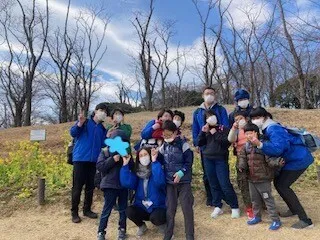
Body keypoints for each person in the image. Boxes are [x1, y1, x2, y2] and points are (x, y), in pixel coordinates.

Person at [249, 107, 314, 229]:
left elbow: (278, 148)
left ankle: (305, 220)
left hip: (298, 159)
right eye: (253, 118)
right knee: (280, 184)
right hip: (293, 159)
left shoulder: (273, 128)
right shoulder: (268, 128)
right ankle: (293, 209)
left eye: (257, 118)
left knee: (283, 185)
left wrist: (260, 144)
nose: (255, 120)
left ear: (265, 117)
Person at [238, 123, 284, 230]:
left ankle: (275, 220)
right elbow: (242, 158)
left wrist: (277, 162)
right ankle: (257, 217)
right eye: (247, 133)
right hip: (251, 179)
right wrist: (241, 166)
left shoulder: (263, 145)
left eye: (251, 133)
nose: (249, 135)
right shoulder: (246, 146)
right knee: (255, 200)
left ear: (256, 133)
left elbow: (270, 160)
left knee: (268, 200)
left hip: (263, 179)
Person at [70, 103, 108, 223]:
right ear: (95, 111)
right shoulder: (85, 122)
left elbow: (103, 144)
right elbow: (73, 132)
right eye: (101, 110)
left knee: (90, 187)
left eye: (105, 112)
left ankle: (87, 210)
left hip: (93, 161)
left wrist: (109, 137)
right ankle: (74, 212)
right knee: (77, 187)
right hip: (80, 159)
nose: (103, 113)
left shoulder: (102, 128)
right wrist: (80, 123)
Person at [197, 110, 240, 219]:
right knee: (213, 183)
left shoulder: (223, 128)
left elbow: (226, 143)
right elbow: (198, 143)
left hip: (220, 159)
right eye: (208, 117)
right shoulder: (205, 130)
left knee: (224, 183)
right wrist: (203, 132)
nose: (211, 118)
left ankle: (234, 206)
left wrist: (215, 134)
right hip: (207, 158)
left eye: (212, 116)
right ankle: (217, 205)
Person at [156, 120, 194, 240]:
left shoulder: (183, 144)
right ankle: (168, 234)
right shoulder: (163, 147)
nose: (167, 137)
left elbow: (189, 161)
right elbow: (160, 161)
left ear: (175, 132)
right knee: (170, 209)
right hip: (170, 182)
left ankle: (189, 235)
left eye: (169, 135)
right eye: (165, 135)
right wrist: (154, 156)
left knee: (186, 208)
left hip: (184, 182)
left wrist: (182, 172)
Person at [192, 86, 229, 206]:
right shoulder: (198, 111)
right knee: (208, 174)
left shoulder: (221, 109)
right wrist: (196, 143)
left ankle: (225, 196)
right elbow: (195, 128)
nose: (209, 95)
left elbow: (225, 126)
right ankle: (211, 198)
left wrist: (222, 138)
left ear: (215, 95)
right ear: (203, 95)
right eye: (207, 93)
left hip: (219, 145)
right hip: (205, 146)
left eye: (212, 93)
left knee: (222, 173)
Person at [120, 147, 166, 237]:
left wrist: (154, 162)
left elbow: (160, 182)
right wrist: (125, 165)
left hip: (158, 206)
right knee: (129, 211)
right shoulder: (137, 172)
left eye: (145, 154)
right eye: (141, 155)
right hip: (142, 206)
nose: (143, 157)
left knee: (156, 217)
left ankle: (163, 226)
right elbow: (127, 183)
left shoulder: (157, 167)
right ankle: (142, 226)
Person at [96, 129, 133, 240]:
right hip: (109, 185)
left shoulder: (126, 153)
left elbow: (132, 167)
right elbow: (100, 166)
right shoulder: (105, 152)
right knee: (106, 210)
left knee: (123, 209)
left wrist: (128, 160)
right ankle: (101, 232)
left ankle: (122, 230)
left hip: (123, 185)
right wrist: (112, 160)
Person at [228, 111, 253, 219]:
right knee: (243, 183)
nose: (239, 121)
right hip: (240, 159)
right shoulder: (236, 131)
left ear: (246, 118)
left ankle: (260, 204)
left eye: (240, 118)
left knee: (256, 181)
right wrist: (234, 128)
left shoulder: (252, 128)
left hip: (253, 157)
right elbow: (230, 139)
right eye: (236, 119)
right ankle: (249, 207)